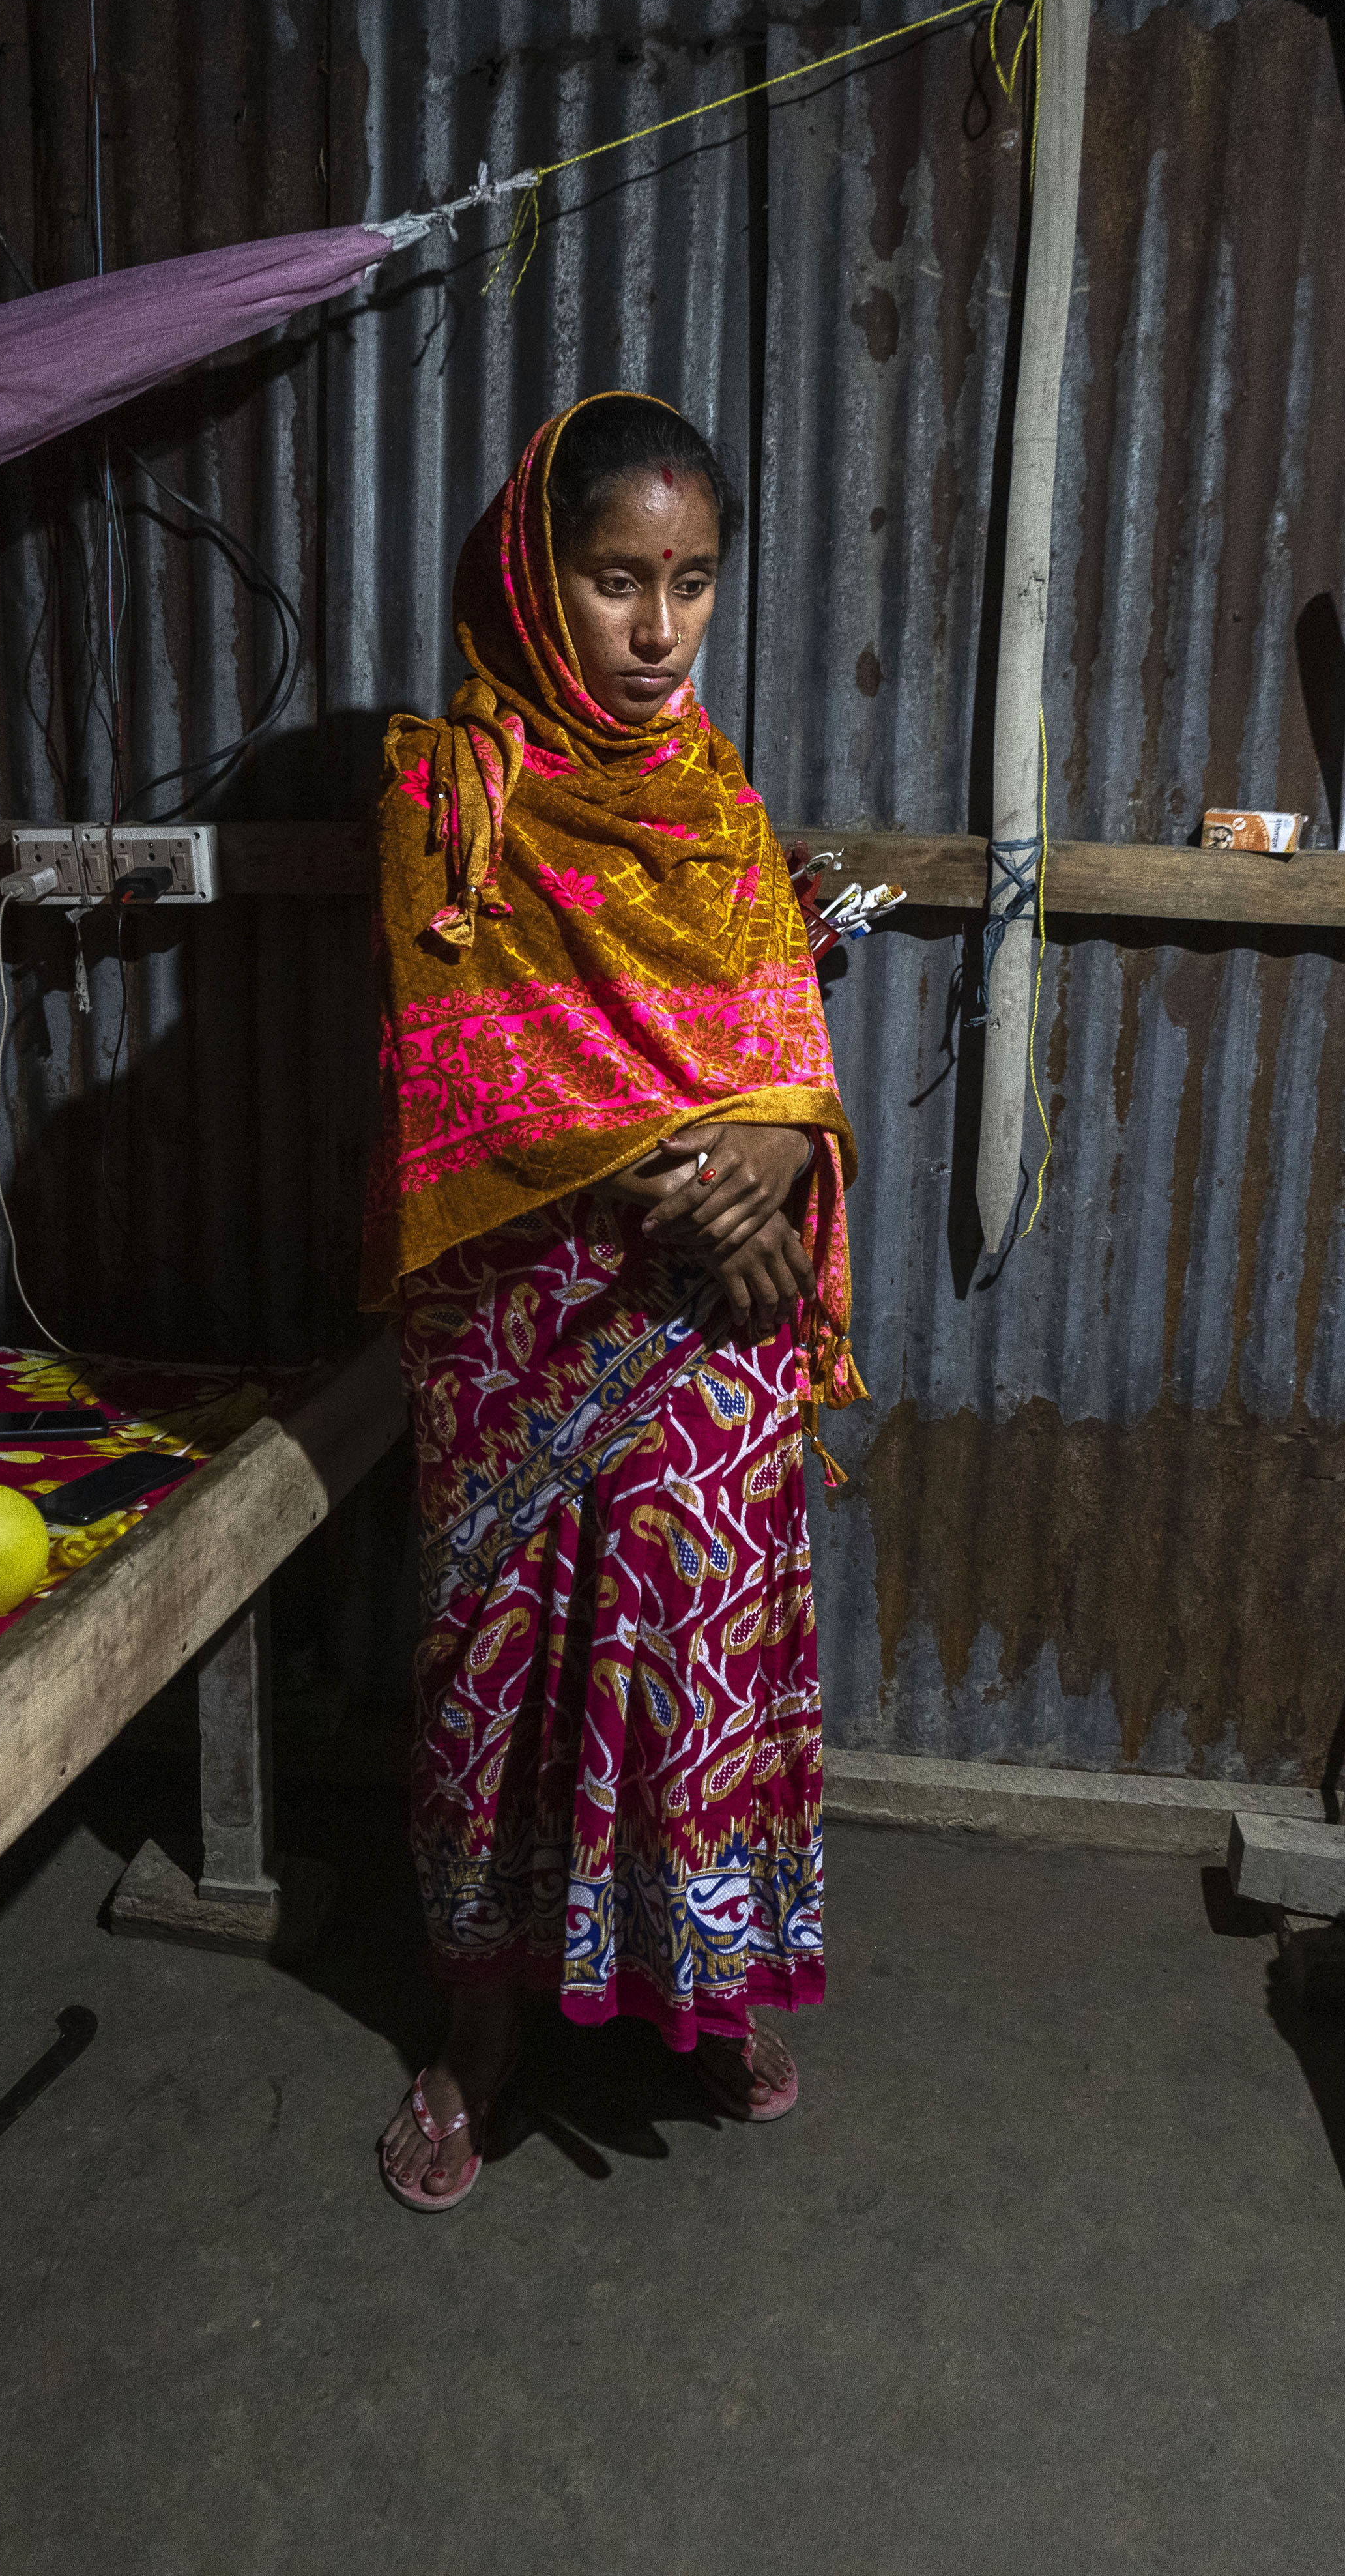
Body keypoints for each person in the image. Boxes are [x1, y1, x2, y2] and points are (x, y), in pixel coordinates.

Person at [361, 392, 858, 2212]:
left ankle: (700, 1979)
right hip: (529, 1328)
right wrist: (694, 1195)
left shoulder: (720, 805)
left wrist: (774, 1185)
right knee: (508, 1670)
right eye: (616, 581)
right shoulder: (447, 793)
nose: (658, 632)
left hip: (716, 1326)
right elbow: (475, 1057)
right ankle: (481, 2022)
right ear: (534, 573)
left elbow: (791, 1053)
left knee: (700, 1659)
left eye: (694, 583)